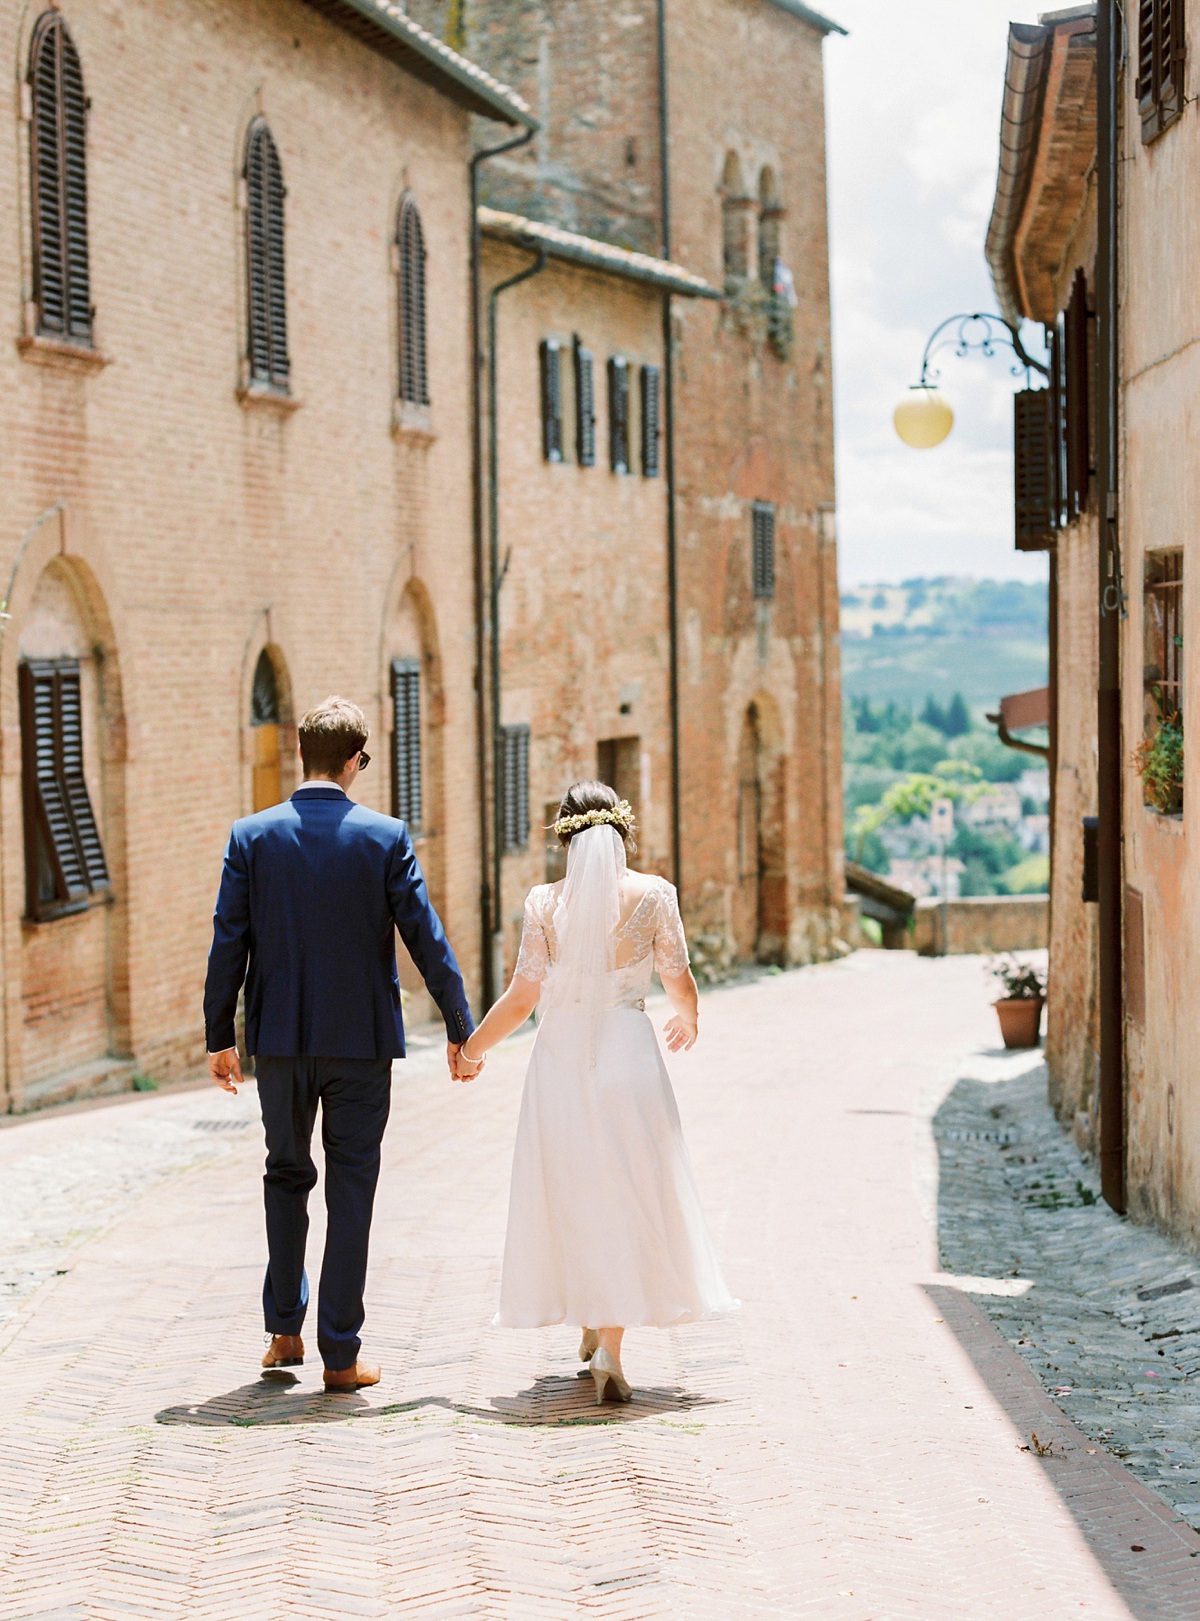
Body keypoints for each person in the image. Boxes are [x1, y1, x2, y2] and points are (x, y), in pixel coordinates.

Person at [203, 696, 474, 1391]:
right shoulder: (383, 836)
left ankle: (284, 1331)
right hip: (360, 1044)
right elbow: (425, 934)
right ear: (355, 759)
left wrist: (218, 1035)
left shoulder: (251, 836)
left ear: (303, 753)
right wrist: (458, 1023)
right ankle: (341, 1355)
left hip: (281, 1043)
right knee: (351, 1188)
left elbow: (228, 938)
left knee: (285, 1176)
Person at [454, 781, 735, 1403]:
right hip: (628, 1052)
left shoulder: (542, 903)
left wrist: (472, 1048)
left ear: (564, 837)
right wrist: (689, 1017)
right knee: (629, 1189)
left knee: (574, 1187)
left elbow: (524, 996)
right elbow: (676, 976)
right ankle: (607, 1345)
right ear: (623, 834)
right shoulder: (654, 895)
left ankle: (590, 1319)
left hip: (560, 1058)